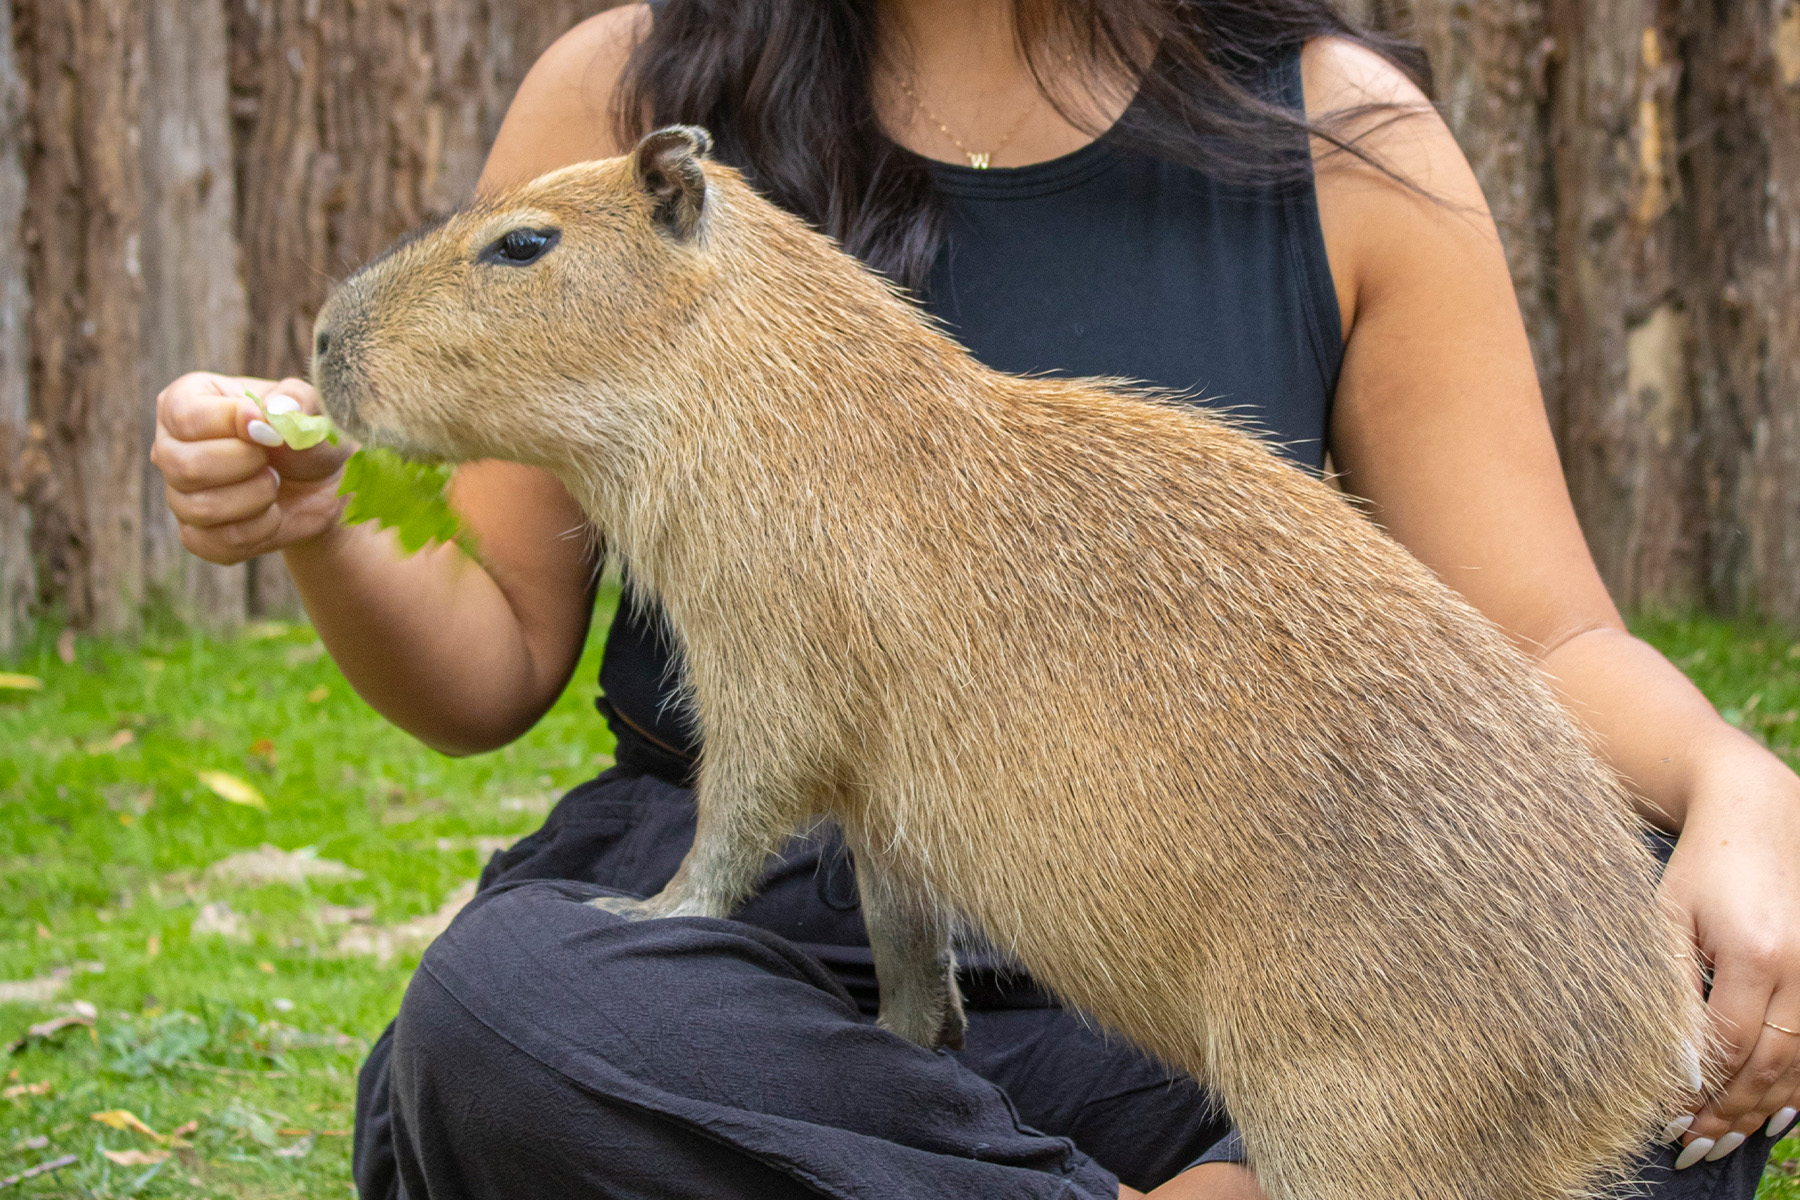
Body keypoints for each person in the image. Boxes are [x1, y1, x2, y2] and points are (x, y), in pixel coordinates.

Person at [150, 1, 1800, 1196]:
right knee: (516, 1017)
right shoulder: (631, 88)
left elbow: (1548, 640)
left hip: (1185, 981)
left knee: (1622, 1024)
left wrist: (1739, 784)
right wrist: (318, 525)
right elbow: (490, 656)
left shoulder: (1339, 132)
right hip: (765, 976)